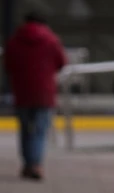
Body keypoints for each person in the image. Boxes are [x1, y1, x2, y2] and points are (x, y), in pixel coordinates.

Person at [4, 12, 67, 181]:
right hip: (45, 93)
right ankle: (36, 165)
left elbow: (8, 64)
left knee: (25, 130)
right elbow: (62, 62)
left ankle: (27, 163)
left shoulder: (14, 41)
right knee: (40, 130)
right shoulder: (52, 40)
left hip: (22, 91)